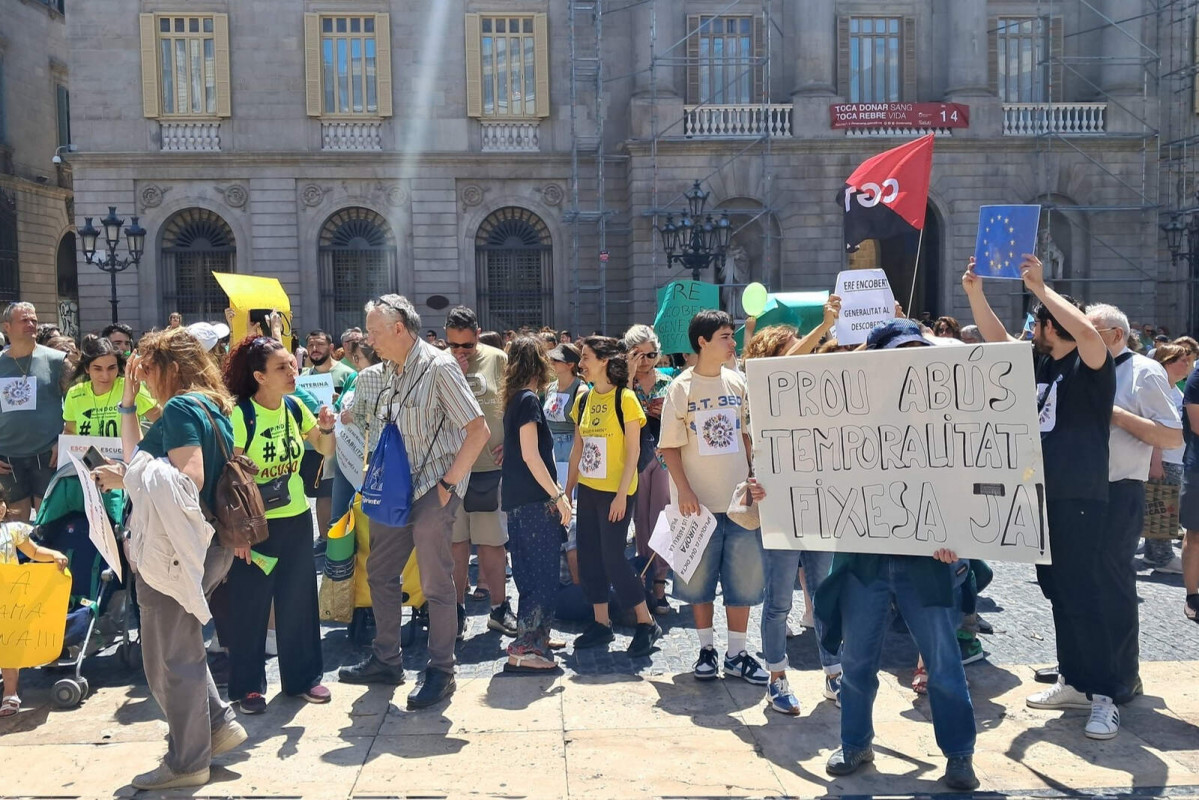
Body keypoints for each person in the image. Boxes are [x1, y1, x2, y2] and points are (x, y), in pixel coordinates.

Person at [807, 318, 978, 790]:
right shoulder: (849, 414)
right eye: (899, 353)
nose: (910, 361)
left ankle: (960, 755)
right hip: (865, 559)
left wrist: (957, 534)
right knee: (858, 662)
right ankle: (855, 744)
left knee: (943, 664)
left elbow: (970, 479)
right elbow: (810, 467)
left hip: (929, 561)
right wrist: (773, 494)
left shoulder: (948, 413)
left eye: (917, 352)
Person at [963, 254, 1123, 740]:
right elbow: (997, 341)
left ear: (1053, 326)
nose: (1031, 328)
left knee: (1084, 594)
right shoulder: (1040, 362)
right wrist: (975, 293)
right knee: (1057, 593)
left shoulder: (1090, 365)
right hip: (1041, 497)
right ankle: (1074, 681)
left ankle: (1104, 696)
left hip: (1078, 496)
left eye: (1037, 322)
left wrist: (1041, 288)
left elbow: (1091, 337)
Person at [93, 327, 247, 790]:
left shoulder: (181, 407)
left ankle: (187, 762)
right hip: (206, 548)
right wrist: (128, 400)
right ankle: (217, 725)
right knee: (182, 650)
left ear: (171, 368)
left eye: (146, 365)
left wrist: (126, 480)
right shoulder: (208, 406)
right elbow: (140, 455)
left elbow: (187, 480)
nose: (139, 371)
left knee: (168, 662)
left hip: (177, 554)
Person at [339, 294, 490, 710]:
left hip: (431, 491)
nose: (369, 339)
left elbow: (477, 431)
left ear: (399, 329)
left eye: (373, 331)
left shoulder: (440, 367)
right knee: (380, 572)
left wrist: (447, 485)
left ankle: (442, 670)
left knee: (436, 584)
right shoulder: (390, 369)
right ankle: (387, 659)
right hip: (396, 491)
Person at [221, 336, 336, 714]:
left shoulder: (294, 406)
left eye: (292, 363)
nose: (293, 372)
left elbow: (323, 449)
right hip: (255, 528)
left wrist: (327, 428)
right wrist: (237, 536)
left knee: (299, 602)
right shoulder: (241, 415)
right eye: (282, 367)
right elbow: (230, 477)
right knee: (251, 607)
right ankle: (247, 688)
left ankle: (303, 680)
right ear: (259, 376)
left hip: (296, 519)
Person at [659, 310, 769, 687]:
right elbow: (669, 448)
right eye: (725, 335)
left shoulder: (738, 382)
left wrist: (755, 474)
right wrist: (685, 491)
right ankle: (706, 648)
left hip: (739, 504)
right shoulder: (681, 388)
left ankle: (737, 652)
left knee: (744, 580)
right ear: (702, 342)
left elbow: (746, 436)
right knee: (698, 581)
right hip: (696, 507)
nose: (732, 342)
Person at [743, 306, 845, 713]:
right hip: (779, 505)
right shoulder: (759, 390)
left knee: (824, 594)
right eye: (793, 349)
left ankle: (835, 676)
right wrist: (822, 326)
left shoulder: (815, 395)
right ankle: (777, 678)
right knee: (779, 600)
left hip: (817, 502)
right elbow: (784, 368)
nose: (804, 356)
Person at [566, 336, 661, 657]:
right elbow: (578, 449)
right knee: (589, 556)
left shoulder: (626, 399)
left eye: (586, 358)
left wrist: (622, 495)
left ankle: (646, 622)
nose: (581, 364)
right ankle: (601, 623)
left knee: (614, 559)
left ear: (604, 360)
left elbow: (634, 451)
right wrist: (567, 491)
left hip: (617, 493)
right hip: (589, 491)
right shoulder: (583, 400)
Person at [500, 337, 573, 671]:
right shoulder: (528, 400)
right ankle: (527, 646)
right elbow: (531, 455)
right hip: (533, 501)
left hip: (519, 499)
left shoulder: (517, 398)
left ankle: (536, 635)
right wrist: (558, 496)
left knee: (530, 571)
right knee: (540, 575)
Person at [443, 307, 516, 637]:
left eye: (467, 346)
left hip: (489, 467)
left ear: (478, 334)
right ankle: (456, 611)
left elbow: (518, 401)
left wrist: (513, 441)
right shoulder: (437, 362)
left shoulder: (498, 359)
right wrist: (453, 373)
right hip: (451, 469)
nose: (460, 352)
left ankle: (499, 608)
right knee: (455, 544)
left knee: (492, 542)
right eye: (454, 345)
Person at [0, 485, 69, 717]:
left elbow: (34, 552)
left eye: (0, 501)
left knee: (8, 649)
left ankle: (10, 693)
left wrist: (53, 556)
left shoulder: (12, 531)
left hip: (10, 602)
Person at [0, 302, 67, 520]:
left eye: (34, 320)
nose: (31, 324)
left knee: (48, 523)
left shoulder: (57, 360)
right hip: (7, 458)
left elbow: (74, 403)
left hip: (48, 455)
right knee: (14, 527)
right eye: (24, 320)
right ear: (6, 327)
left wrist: (64, 439)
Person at [623, 324, 672, 614]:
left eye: (651, 354)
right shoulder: (623, 383)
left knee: (662, 518)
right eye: (638, 355)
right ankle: (642, 575)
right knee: (641, 521)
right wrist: (629, 375)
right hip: (635, 457)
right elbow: (621, 410)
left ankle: (661, 583)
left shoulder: (670, 381)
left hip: (665, 456)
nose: (645, 360)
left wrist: (664, 412)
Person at [300, 330, 356, 544]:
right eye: (311, 344)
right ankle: (324, 538)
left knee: (330, 491)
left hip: (339, 443)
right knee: (318, 494)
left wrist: (339, 400)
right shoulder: (302, 378)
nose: (315, 349)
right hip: (310, 444)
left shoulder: (347, 374)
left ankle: (337, 538)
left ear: (331, 348)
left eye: (320, 344)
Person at [1146, 343, 1192, 573]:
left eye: (1188, 360)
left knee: (1160, 505)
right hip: (1164, 457)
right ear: (1166, 363)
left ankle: (1152, 554)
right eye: (1181, 360)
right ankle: (1164, 558)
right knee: (1164, 507)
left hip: (1175, 456)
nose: (1187, 364)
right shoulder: (1161, 389)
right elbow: (1156, 424)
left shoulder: (1175, 389)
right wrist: (1156, 460)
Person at [63, 335, 160, 436]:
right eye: (98, 369)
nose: (105, 376)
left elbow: (163, 421)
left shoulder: (129, 387)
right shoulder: (74, 393)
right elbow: (70, 431)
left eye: (111, 368)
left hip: (127, 451)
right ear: (87, 369)